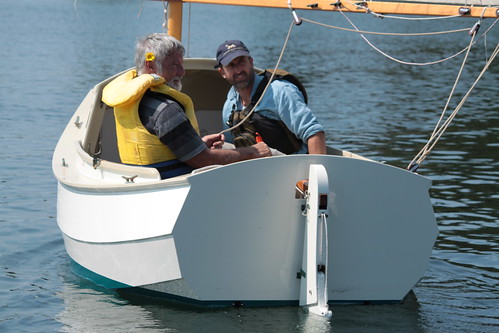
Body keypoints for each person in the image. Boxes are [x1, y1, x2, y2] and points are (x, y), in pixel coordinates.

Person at [102, 33, 271, 179]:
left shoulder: (134, 98)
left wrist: (197, 144)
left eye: (181, 64)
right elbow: (203, 160)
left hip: (143, 181)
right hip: (174, 187)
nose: (182, 72)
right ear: (150, 65)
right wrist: (254, 152)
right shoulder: (165, 109)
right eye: (174, 65)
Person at [216, 40, 327, 155]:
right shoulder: (230, 106)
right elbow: (232, 146)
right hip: (256, 168)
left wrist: (315, 170)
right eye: (231, 65)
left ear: (251, 61)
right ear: (222, 72)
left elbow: (314, 133)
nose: (238, 70)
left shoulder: (280, 91)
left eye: (242, 62)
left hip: (294, 165)